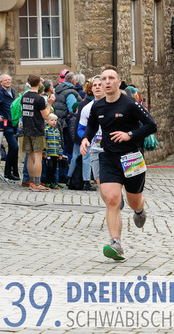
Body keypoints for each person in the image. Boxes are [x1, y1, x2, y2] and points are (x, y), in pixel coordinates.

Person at [81, 65, 157, 261]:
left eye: (111, 78)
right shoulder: (97, 106)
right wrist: (86, 139)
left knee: (133, 200)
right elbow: (92, 125)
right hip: (109, 158)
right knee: (112, 199)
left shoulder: (130, 104)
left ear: (118, 82)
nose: (107, 82)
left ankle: (139, 210)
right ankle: (116, 243)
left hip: (131, 158)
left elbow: (151, 125)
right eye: (104, 78)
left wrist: (129, 134)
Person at [22, 74, 55, 192]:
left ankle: (31, 182)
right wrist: (49, 103)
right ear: (39, 84)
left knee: (30, 157)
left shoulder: (24, 96)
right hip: (37, 130)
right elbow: (45, 115)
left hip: (27, 129)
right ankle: (36, 183)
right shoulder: (39, 98)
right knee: (37, 157)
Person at [0, 74, 20, 181]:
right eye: (5, 80)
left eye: (9, 79)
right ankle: (8, 172)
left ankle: (13, 171)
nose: (8, 81)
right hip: (6, 123)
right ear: (1, 82)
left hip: (14, 122)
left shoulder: (12, 90)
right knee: (14, 147)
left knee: (15, 148)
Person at [44, 113, 64, 189]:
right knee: (50, 167)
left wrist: (60, 153)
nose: (54, 122)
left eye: (55, 120)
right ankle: (48, 182)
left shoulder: (57, 131)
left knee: (54, 168)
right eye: (52, 120)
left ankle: (53, 181)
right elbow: (44, 142)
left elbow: (59, 142)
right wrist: (45, 152)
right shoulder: (46, 130)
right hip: (49, 153)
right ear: (47, 121)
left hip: (56, 153)